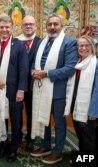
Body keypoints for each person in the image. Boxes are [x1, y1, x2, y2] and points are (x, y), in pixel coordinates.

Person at [30, 13, 78, 164]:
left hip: (58, 91)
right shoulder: (42, 42)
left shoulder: (69, 43)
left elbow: (70, 68)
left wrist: (47, 73)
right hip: (41, 88)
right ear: (46, 26)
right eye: (49, 24)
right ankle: (45, 146)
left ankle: (58, 151)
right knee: (43, 120)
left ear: (61, 26)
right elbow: (36, 62)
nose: (52, 27)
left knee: (59, 123)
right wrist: (33, 71)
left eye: (55, 24)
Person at [0, 16, 29, 162]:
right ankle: (3, 145)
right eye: (1, 27)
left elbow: (24, 69)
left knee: (16, 120)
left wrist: (21, 90)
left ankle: (14, 148)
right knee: (1, 119)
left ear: (12, 28)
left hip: (15, 91)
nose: (4, 30)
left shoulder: (19, 45)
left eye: (7, 27)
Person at [64, 35, 98, 152]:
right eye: (80, 46)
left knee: (89, 138)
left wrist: (93, 111)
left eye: (86, 45)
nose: (83, 48)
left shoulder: (95, 64)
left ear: (92, 47)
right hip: (76, 106)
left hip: (90, 109)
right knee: (81, 135)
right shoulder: (77, 64)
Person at [16, 15, 41, 151]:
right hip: (18, 85)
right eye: (25, 24)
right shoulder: (15, 41)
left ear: (36, 26)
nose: (28, 26)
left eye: (31, 24)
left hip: (33, 85)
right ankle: (17, 136)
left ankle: (30, 139)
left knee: (32, 112)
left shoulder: (41, 42)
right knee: (17, 112)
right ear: (21, 27)